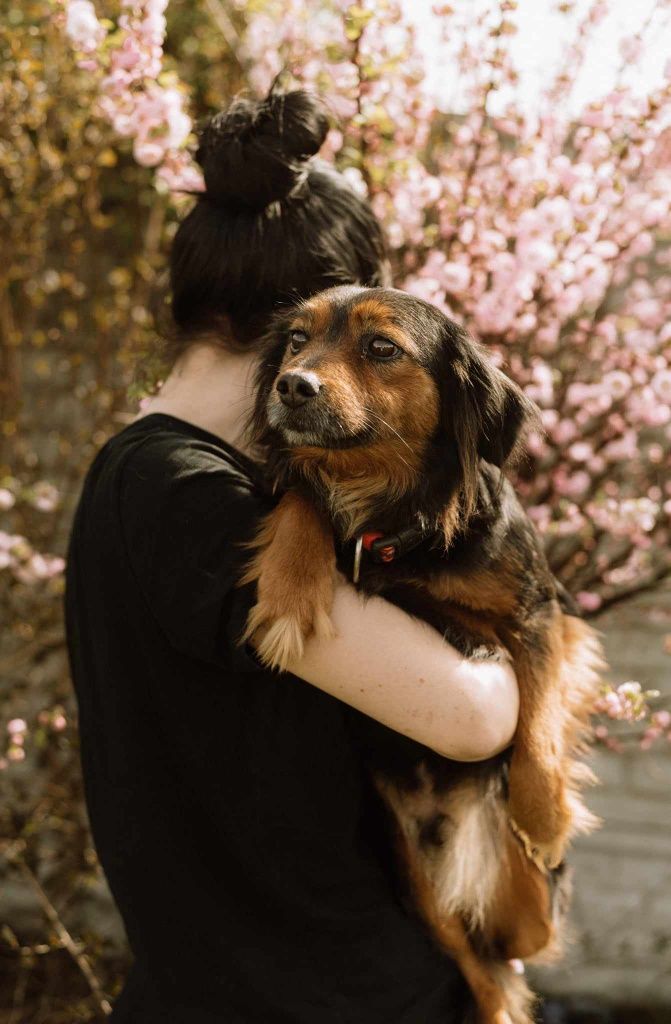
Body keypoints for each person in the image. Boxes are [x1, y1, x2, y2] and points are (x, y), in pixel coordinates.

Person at [65, 88, 519, 1024]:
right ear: (310, 318)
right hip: (320, 995)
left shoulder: (152, 472)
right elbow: (472, 716)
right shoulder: (190, 495)